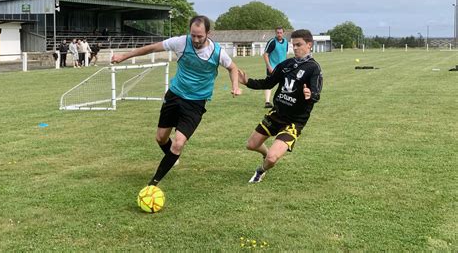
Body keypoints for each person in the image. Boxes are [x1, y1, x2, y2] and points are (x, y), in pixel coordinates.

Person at [111, 15, 242, 187]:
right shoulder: (181, 42)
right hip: (174, 95)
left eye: (200, 36)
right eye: (193, 35)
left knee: (178, 143)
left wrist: (235, 86)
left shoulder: (217, 52)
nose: (195, 39)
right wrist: (124, 56)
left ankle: (152, 185)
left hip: (195, 102)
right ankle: (172, 158)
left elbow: (233, 68)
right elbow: (152, 48)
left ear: (208, 33)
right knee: (160, 138)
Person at [238, 29, 323, 183]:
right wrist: (247, 82)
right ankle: (265, 154)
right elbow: (268, 83)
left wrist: (311, 95)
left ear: (309, 45)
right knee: (251, 145)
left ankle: (260, 170)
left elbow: (316, 93)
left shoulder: (314, 68)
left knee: (272, 158)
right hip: (276, 114)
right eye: (293, 45)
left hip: (294, 121)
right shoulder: (286, 64)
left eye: (299, 45)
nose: (295, 48)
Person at [263, 26, 288, 108]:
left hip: (283, 67)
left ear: (283, 33)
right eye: (277, 33)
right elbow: (265, 55)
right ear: (275, 33)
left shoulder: (286, 42)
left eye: (281, 33)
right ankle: (267, 102)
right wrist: (269, 66)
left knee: (283, 84)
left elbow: (284, 54)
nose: (279, 34)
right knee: (269, 84)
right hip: (272, 67)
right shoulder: (272, 42)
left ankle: (281, 101)